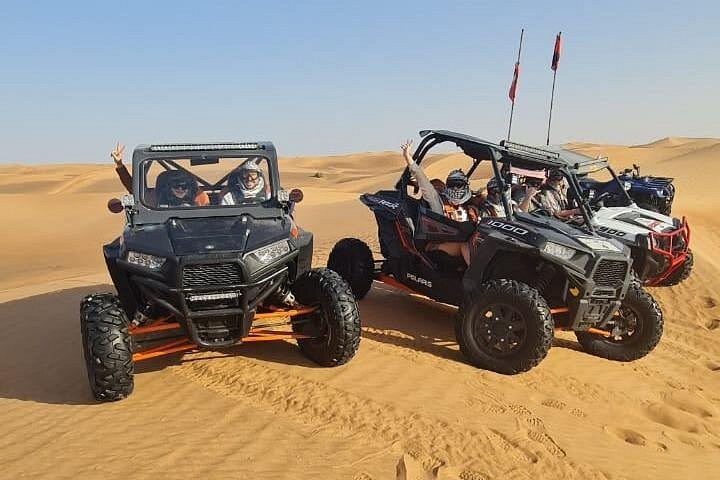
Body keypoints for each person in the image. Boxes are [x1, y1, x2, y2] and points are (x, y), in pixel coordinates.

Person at [401, 139, 479, 265]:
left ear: (466, 186)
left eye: (459, 185)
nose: (456, 188)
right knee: (465, 245)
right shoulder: (438, 202)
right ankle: (476, 280)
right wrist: (408, 157)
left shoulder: (468, 206)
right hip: (437, 246)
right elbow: (423, 182)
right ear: (447, 185)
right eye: (452, 185)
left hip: (464, 243)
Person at [110, 142, 209, 206]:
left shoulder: (199, 196)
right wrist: (119, 164)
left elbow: (208, 217)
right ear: (169, 185)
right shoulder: (158, 196)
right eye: (176, 185)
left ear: (190, 186)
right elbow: (134, 190)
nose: (180, 189)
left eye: (184, 186)